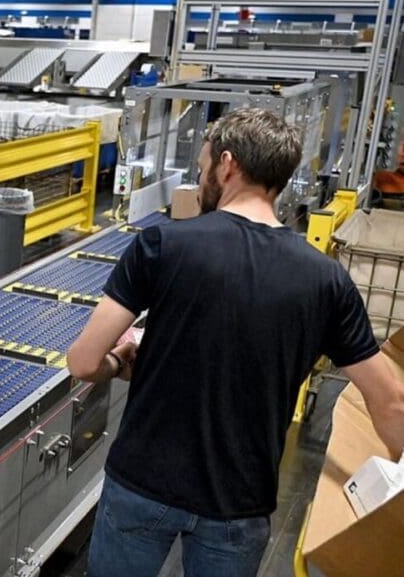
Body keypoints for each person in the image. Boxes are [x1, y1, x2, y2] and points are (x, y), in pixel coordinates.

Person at [66, 108, 404, 577]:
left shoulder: (162, 245)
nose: (200, 179)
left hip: (143, 485)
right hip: (239, 505)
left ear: (227, 164)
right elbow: (390, 401)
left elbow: (83, 362)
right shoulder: (327, 281)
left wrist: (120, 361)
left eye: (203, 165)